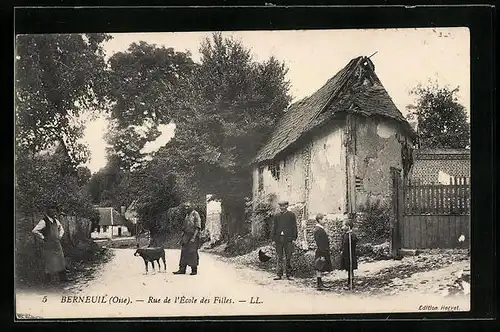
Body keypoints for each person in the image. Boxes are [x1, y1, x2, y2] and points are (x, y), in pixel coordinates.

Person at [32, 204, 68, 284]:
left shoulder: (56, 220)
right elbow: (35, 231)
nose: (54, 212)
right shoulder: (43, 221)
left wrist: (60, 236)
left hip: (57, 243)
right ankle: (48, 281)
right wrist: (43, 237)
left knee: (61, 260)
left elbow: (61, 229)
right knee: (49, 261)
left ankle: (63, 279)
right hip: (48, 245)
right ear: (47, 211)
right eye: (52, 210)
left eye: (54, 210)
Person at [271, 200, 297, 280]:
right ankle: (279, 274)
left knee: (289, 256)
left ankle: (289, 275)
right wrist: (273, 238)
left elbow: (294, 227)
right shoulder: (276, 216)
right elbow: (274, 227)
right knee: (279, 257)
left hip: (288, 238)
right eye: (280, 206)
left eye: (283, 206)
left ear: (287, 206)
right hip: (279, 239)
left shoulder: (291, 215)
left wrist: (294, 237)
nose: (282, 208)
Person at [173, 202, 202, 276]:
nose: (186, 208)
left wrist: (193, 238)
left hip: (193, 235)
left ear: (192, 207)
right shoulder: (187, 215)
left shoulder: (195, 214)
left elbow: (197, 227)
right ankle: (182, 269)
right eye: (185, 206)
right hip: (186, 235)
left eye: (188, 206)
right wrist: (181, 238)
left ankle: (194, 270)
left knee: (192, 252)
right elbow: (184, 228)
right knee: (184, 251)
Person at [313, 213, 332, 290]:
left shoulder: (321, 229)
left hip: (322, 250)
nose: (326, 220)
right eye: (324, 219)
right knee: (319, 267)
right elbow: (319, 243)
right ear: (319, 220)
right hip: (321, 251)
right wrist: (322, 254)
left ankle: (320, 284)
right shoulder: (318, 230)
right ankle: (319, 285)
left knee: (320, 267)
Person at [340, 220, 358, 289]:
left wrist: (352, 235)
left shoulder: (352, 235)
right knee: (348, 268)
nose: (342, 227)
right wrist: (341, 250)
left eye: (344, 225)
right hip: (345, 255)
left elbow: (355, 241)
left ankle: (351, 283)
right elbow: (342, 244)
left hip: (350, 254)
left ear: (348, 227)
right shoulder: (344, 235)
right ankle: (348, 282)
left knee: (351, 269)